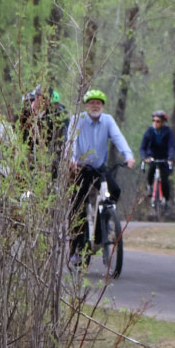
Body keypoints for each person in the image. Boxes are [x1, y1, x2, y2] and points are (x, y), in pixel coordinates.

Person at [66, 88, 136, 260]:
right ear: (86, 105)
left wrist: (128, 156)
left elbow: (118, 138)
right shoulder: (78, 119)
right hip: (80, 168)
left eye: (98, 103)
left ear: (102, 105)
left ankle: (103, 223)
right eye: (91, 102)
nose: (95, 105)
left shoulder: (108, 120)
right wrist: (72, 159)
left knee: (114, 191)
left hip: (99, 168)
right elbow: (71, 141)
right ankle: (76, 247)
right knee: (77, 206)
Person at [17, 84, 69, 179]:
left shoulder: (54, 118)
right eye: (44, 98)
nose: (46, 102)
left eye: (48, 99)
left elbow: (57, 141)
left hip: (45, 161)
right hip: (25, 159)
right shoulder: (22, 114)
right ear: (36, 96)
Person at [141, 109, 175, 202]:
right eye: (153, 121)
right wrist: (145, 157)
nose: (155, 123)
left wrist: (170, 158)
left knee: (165, 181)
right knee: (150, 172)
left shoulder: (168, 132)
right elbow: (143, 147)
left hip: (164, 158)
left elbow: (171, 146)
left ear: (163, 122)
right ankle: (149, 187)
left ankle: (166, 200)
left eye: (158, 121)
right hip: (152, 157)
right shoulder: (149, 131)